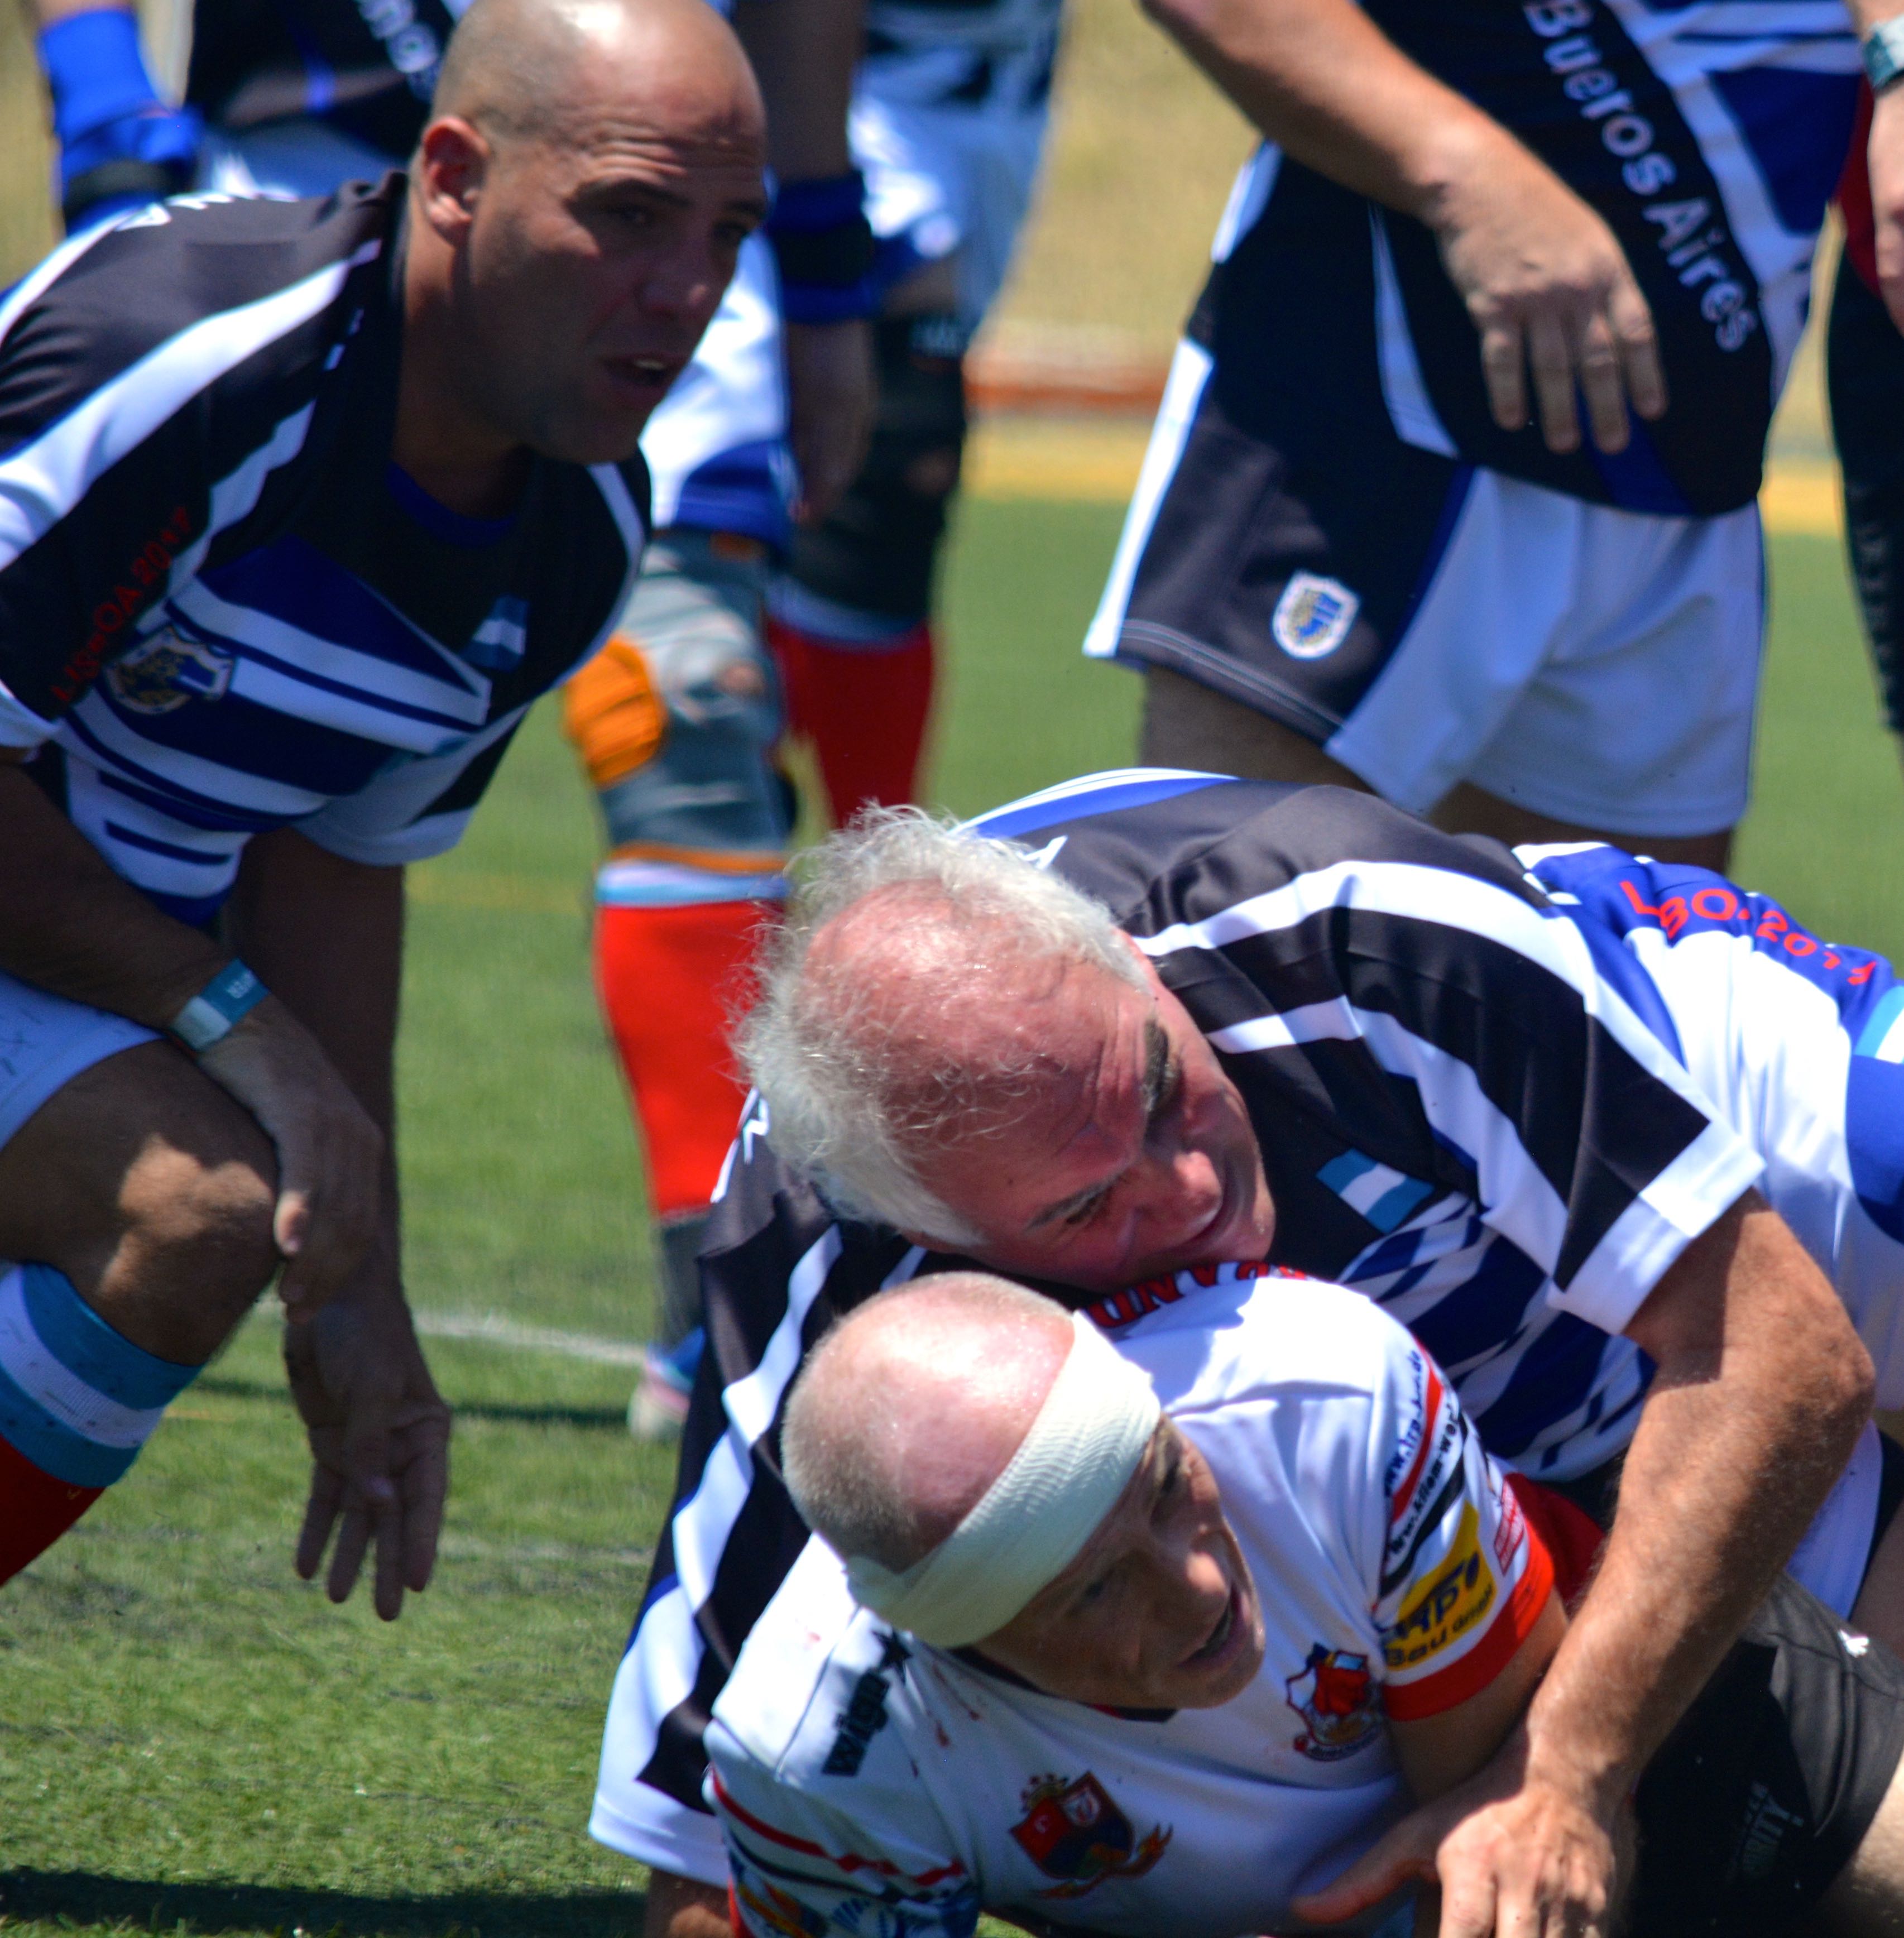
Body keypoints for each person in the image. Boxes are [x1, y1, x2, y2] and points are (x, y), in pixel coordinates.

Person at [597, 768, 1897, 1938]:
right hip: (1491, 1451)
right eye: (1082, 1206)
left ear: (1127, 959)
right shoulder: (825, 1255)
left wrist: (1560, 1778)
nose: (1185, 1188)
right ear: (929, 1228)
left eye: (1160, 1089)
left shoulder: (1352, 925)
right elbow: (699, 1828)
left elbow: (1777, 1353)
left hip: (1735, 1162)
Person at [0, 0, 766, 1608]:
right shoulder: (189, 350)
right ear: (454, 176)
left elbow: (336, 856)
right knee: (193, 1200)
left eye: (726, 235)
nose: (686, 293)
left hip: (63, 968)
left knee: (208, 1213)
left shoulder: (579, 533)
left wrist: (361, 1286)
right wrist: (237, 1026)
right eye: (629, 216)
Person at [708, 1269, 1904, 1938]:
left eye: (1167, 1485)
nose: (1197, 1585)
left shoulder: (1324, 1398)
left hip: (1648, 1733)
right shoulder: (819, 1756)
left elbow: (1521, 1846)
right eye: (1096, 1589)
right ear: (950, 1638)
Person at [563, 0, 1065, 1438]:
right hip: (672, 131)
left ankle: (871, 1143)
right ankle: (717, 1277)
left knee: (862, 579)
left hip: (943, 115)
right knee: (685, 716)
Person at [1078, 0, 1865, 871]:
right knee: (1226, 927)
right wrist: (1460, 169)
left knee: (1623, 957)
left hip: (1692, 454)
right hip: (1389, 389)